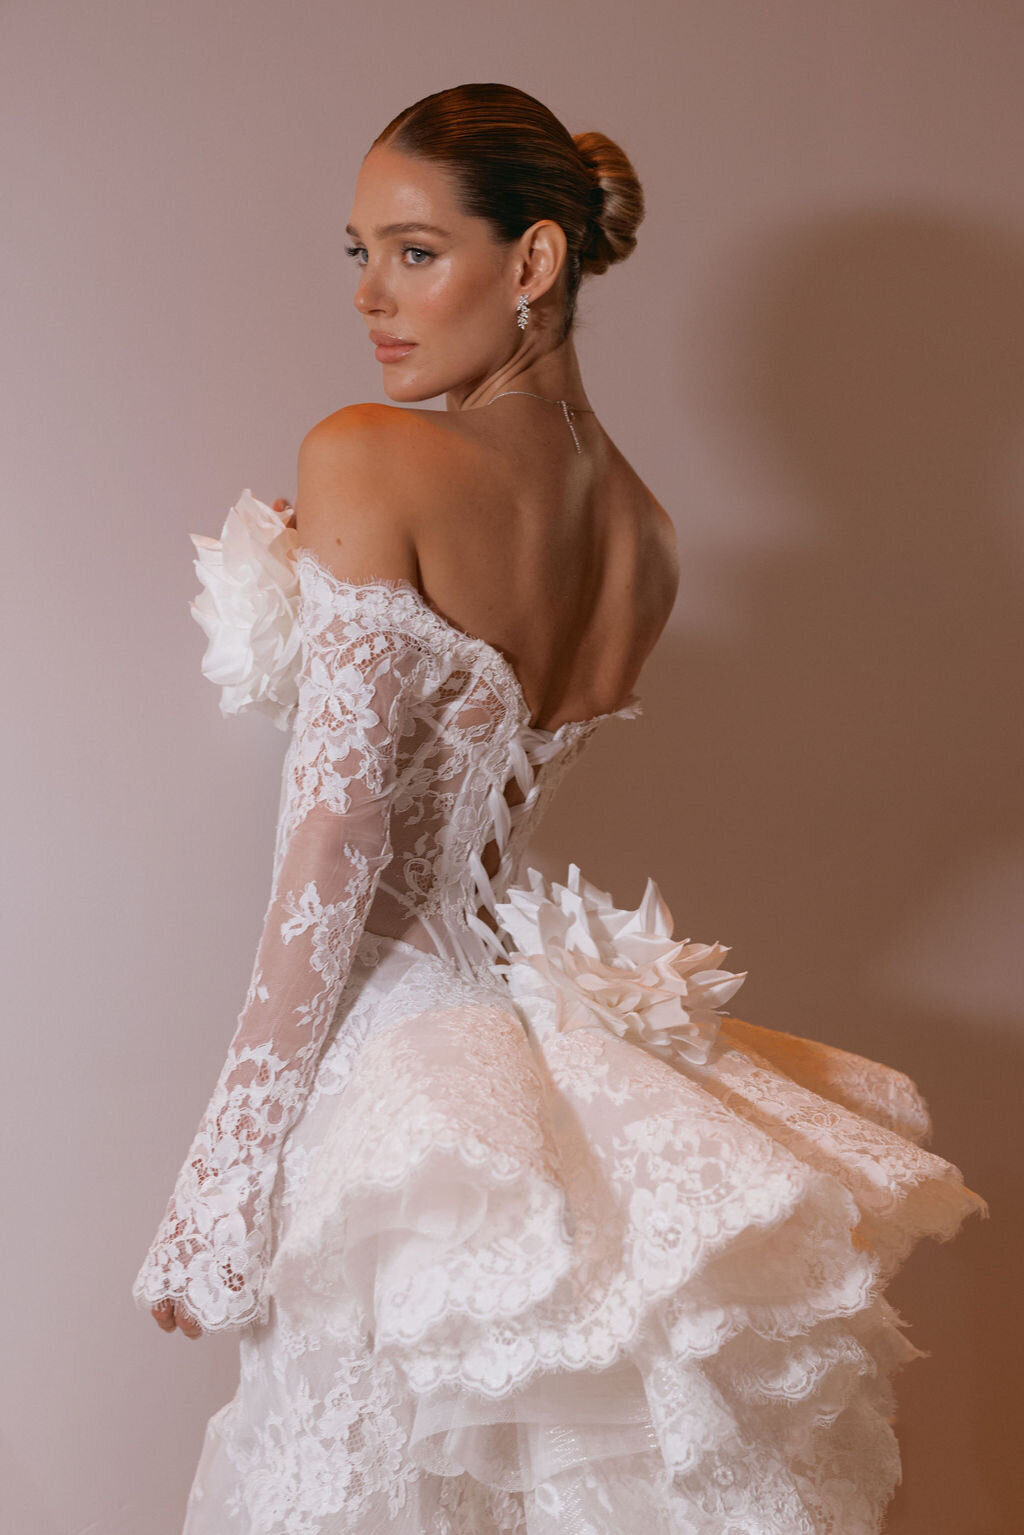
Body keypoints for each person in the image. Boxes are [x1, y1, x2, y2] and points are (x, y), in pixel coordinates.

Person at [132, 82, 987, 1534]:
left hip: (399, 1066)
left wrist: (225, 1170)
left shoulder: (368, 454)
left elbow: (342, 837)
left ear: (533, 260)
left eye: (415, 252)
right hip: (541, 1058)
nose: (371, 297)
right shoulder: (649, 536)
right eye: (360, 254)